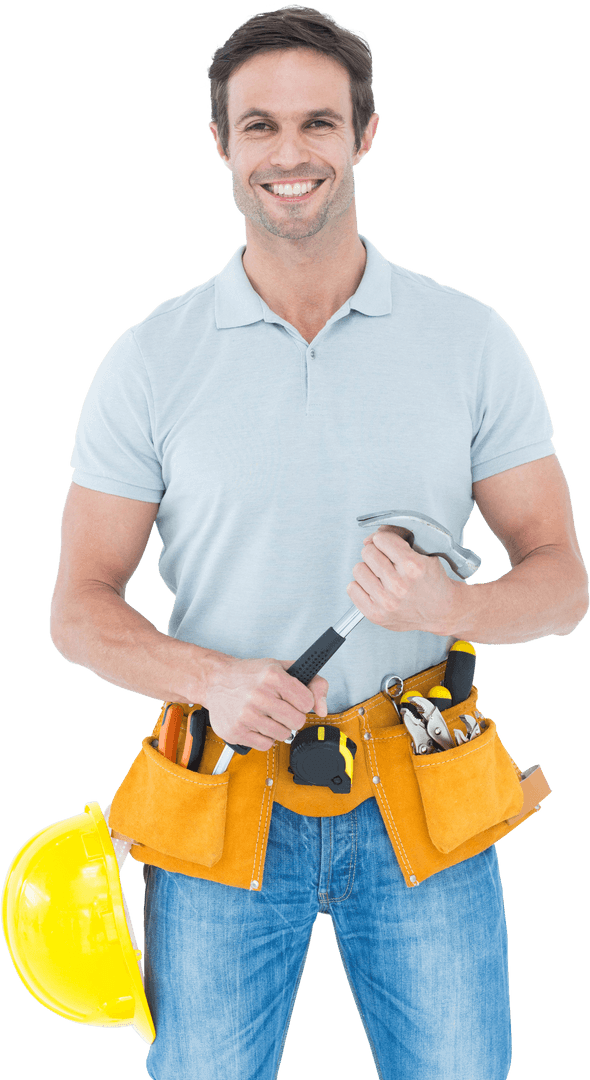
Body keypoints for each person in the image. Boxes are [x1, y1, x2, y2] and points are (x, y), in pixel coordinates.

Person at [49, 6, 588, 1079]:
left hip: (421, 798)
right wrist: (210, 678)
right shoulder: (150, 359)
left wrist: (454, 607)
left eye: (316, 124)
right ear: (222, 144)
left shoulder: (468, 339)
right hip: (218, 805)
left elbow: (561, 584)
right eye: (259, 127)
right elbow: (79, 609)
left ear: (364, 135)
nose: (288, 154)